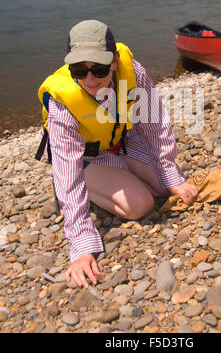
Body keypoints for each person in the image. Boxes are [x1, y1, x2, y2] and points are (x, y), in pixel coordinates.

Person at [38, 20, 198, 289]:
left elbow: (154, 124)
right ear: (70, 67)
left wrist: (171, 174)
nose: (90, 79)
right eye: (79, 70)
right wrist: (81, 246)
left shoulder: (133, 72)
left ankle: (125, 171)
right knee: (140, 205)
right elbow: (68, 170)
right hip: (85, 158)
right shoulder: (62, 102)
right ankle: (86, 190)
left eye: (99, 69)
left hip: (122, 142)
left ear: (114, 61)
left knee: (166, 184)